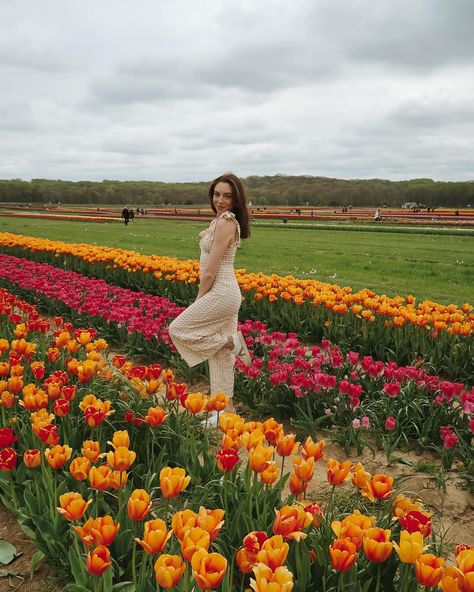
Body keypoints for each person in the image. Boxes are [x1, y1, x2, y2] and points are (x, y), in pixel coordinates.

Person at [168, 173, 251, 420]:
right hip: (226, 291)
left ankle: (231, 342)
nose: (220, 200)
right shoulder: (221, 221)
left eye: (227, 196)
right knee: (220, 359)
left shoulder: (226, 221)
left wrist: (199, 298)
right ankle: (223, 412)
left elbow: (210, 270)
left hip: (221, 290)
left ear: (236, 199)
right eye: (217, 194)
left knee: (178, 328)